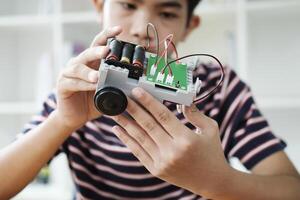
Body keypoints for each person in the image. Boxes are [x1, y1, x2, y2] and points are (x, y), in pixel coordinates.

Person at [1, 0, 300, 199]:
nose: (142, 28)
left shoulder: (217, 89)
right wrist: (62, 121)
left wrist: (217, 180)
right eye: (128, 4)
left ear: (189, 25)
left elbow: (291, 188)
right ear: (99, 6)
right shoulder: (78, 86)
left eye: (167, 13)